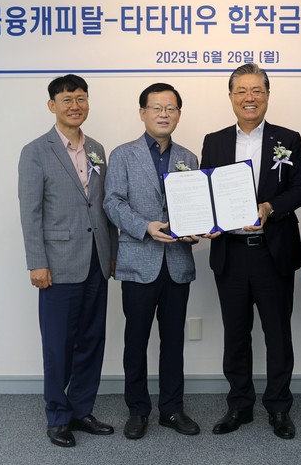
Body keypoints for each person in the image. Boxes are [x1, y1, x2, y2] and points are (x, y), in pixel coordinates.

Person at [201, 63, 301, 439]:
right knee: (235, 333)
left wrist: (270, 207)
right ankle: (239, 405)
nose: (249, 98)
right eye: (242, 91)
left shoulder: (288, 138)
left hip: (272, 252)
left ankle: (279, 407)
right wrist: (207, 220)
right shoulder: (214, 141)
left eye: (257, 91)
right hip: (230, 254)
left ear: (267, 95)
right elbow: (205, 191)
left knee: (277, 333)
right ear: (231, 96)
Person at [18, 74, 118, 447]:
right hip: (58, 264)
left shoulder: (97, 148)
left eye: (80, 98)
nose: (75, 106)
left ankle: (81, 409)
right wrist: (36, 262)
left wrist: (112, 252)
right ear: (52, 106)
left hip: (96, 260)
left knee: (92, 340)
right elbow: (30, 212)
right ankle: (58, 416)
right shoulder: (35, 151)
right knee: (58, 345)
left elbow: (104, 205)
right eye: (66, 100)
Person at [103, 82, 201, 440]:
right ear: (142, 113)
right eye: (157, 108)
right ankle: (138, 410)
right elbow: (112, 202)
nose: (164, 114)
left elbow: (195, 206)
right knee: (136, 341)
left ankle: (172, 409)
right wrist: (145, 226)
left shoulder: (189, 158)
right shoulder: (122, 155)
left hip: (177, 263)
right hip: (138, 263)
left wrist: (196, 229)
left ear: (179, 114)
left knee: (173, 341)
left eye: (171, 108)